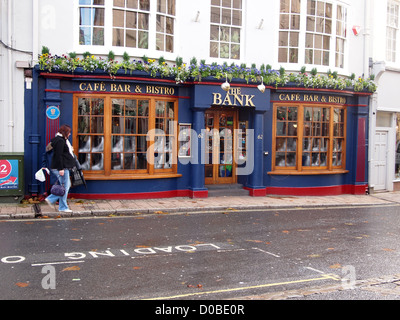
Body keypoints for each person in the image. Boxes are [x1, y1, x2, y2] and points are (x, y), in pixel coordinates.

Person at [45, 124, 75, 213]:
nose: (69, 134)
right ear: (65, 132)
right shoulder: (60, 141)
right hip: (61, 167)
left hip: (61, 167)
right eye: (69, 132)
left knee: (66, 186)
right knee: (65, 187)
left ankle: (54, 201)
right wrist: (61, 168)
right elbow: (59, 155)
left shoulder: (59, 140)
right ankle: (60, 205)